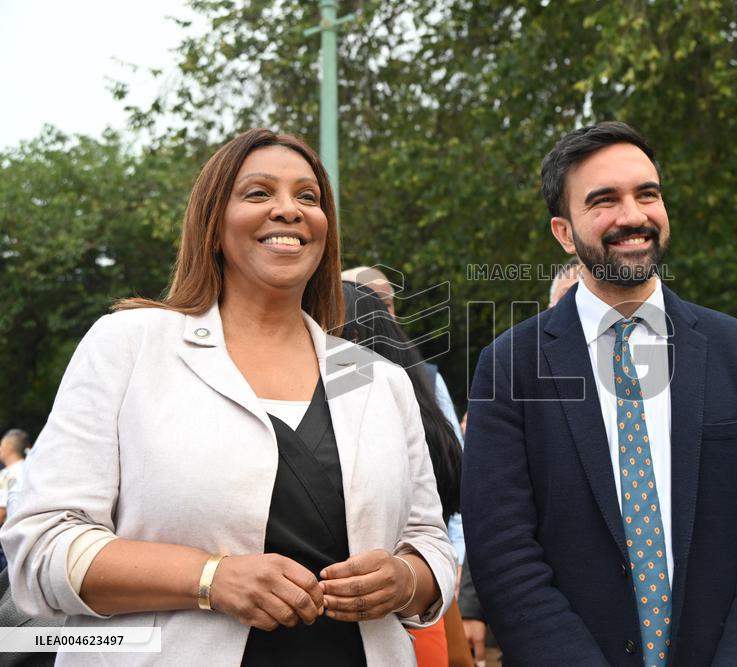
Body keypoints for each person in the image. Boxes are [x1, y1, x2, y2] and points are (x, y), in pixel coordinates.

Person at [0, 129, 455, 666]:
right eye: (258, 193)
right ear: (213, 225)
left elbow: (429, 539)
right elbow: (41, 547)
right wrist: (210, 578)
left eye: (307, 197)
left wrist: (406, 580)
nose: (288, 209)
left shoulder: (372, 376)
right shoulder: (132, 344)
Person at [463, 121, 737, 666]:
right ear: (563, 231)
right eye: (604, 200)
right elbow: (502, 550)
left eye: (647, 194)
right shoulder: (509, 366)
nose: (633, 215)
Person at [340, 280, 467, 667]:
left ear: (353, 337)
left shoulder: (373, 415)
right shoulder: (422, 400)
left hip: (389, 616)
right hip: (428, 603)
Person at [0, 429, 29, 570]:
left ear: (9, 447)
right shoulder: (32, 467)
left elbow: (1, 512)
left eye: (1, 446)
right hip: (30, 537)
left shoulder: (7, 475)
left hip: (9, 542)